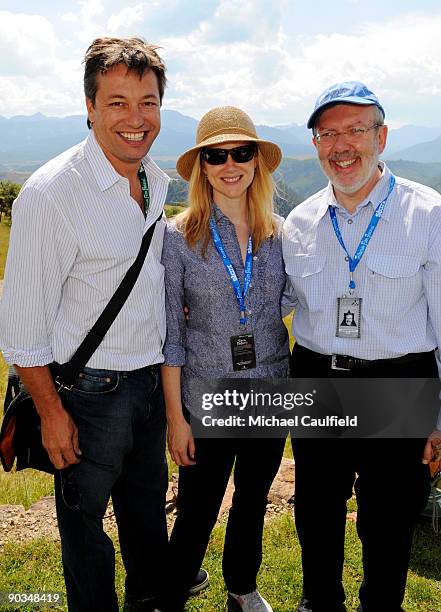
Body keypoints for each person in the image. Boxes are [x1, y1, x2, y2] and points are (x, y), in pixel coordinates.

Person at [0, 37, 202, 612]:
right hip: (86, 393)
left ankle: (150, 600)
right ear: (89, 106)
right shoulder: (50, 194)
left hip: (144, 385)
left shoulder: (154, 179)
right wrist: (52, 413)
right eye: (117, 103)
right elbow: (20, 327)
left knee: (145, 514)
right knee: (85, 526)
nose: (136, 120)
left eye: (148, 102)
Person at [282, 81, 441, 612]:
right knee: (315, 509)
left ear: (382, 136)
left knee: (389, 516)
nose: (341, 145)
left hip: (398, 380)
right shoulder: (300, 221)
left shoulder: (428, 215)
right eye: (328, 133)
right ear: (316, 143)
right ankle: (320, 601)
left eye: (355, 130)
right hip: (318, 377)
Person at [158, 106, 289, 612]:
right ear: (202, 167)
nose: (230, 164)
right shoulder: (179, 236)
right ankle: (172, 594)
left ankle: (241, 587)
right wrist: (176, 419)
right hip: (207, 397)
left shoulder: (279, 233)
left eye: (241, 152)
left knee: (253, 500)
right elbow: (171, 334)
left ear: (257, 162)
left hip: (270, 391)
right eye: (216, 155)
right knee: (196, 507)